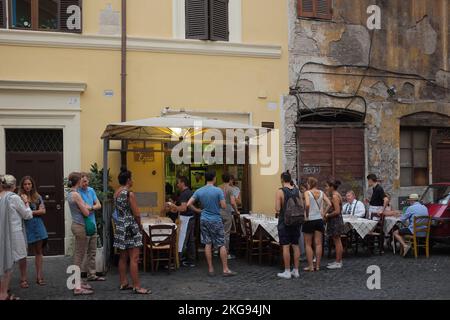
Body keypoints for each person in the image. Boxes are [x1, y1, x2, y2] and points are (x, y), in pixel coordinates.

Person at [186, 171, 237, 277]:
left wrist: (198, 210)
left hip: (204, 219)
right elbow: (223, 206)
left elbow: (188, 204)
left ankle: (210, 268)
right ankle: (225, 269)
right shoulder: (218, 190)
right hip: (215, 219)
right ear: (214, 178)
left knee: (207, 243)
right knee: (221, 243)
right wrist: (217, 203)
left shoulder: (199, 190)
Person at [113, 168, 150, 294]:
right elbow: (137, 213)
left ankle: (123, 282)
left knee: (123, 257)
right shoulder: (129, 193)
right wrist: (139, 226)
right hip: (130, 226)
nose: (132, 180)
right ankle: (137, 286)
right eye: (132, 178)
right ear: (128, 180)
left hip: (120, 226)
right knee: (134, 258)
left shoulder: (116, 192)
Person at [0, 175, 33, 300]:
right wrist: (26, 203)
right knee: (10, 263)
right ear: (14, 186)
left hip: (2, 232)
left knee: (3, 261)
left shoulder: (0, 196)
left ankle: (3, 290)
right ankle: (3, 294)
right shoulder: (14, 198)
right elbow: (27, 215)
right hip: (14, 233)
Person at [67, 172, 95, 295]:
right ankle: (77, 287)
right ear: (78, 181)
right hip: (80, 226)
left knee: (78, 255)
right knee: (79, 256)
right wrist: (86, 206)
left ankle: (76, 282)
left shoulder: (69, 193)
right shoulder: (76, 195)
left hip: (75, 225)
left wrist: (85, 206)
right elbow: (86, 213)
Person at [18, 176, 48, 288]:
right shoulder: (19, 197)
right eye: (25, 184)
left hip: (38, 225)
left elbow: (43, 211)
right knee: (23, 254)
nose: (27, 186)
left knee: (39, 251)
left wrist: (31, 212)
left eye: (29, 184)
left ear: (32, 185)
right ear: (22, 186)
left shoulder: (37, 196)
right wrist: (36, 211)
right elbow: (22, 214)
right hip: (25, 226)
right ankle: (23, 279)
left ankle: (39, 277)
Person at [275, 171, 303, 279]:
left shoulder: (280, 191)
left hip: (285, 221)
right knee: (295, 245)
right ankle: (296, 270)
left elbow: (277, 208)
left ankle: (287, 271)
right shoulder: (297, 190)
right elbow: (302, 205)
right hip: (296, 221)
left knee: (286, 246)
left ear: (282, 179)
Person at [78, 173, 105, 282]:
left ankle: (92, 275)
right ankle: (79, 276)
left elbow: (99, 205)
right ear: (79, 182)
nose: (86, 183)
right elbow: (81, 209)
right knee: (81, 252)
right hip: (83, 224)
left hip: (92, 224)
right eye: (84, 181)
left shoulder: (91, 190)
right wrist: (89, 208)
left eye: (87, 181)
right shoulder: (77, 193)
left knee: (92, 251)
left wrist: (91, 207)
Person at [168, 176, 199, 267]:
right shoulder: (190, 192)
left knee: (181, 240)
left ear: (183, 183)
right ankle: (191, 260)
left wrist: (173, 206)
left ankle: (177, 260)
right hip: (191, 217)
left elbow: (183, 208)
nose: (177, 184)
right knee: (190, 240)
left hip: (186, 218)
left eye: (178, 182)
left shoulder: (184, 194)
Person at [302, 177, 331, 272]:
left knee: (308, 244)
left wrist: (306, 215)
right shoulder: (321, 193)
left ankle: (310, 266)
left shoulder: (307, 193)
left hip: (310, 220)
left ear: (309, 184)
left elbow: (307, 205)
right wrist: (323, 213)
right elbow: (329, 204)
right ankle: (318, 266)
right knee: (318, 244)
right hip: (319, 220)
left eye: (307, 183)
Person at [324, 179, 344, 270]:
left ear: (332, 187)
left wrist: (328, 215)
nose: (326, 188)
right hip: (336, 221)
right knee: (337, 241)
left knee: (337, 242)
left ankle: (338, 262)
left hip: (335, 221)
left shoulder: (335, 196)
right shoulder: (336, 194)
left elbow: (337, 211)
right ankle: (338, 261)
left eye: (327, 186)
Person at [219, 173, 239, 260]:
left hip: (218, 212)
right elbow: (232, 202)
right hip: (227, 212)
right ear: (230, 180)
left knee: (219, 232)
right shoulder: (230, 189)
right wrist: (236, 210)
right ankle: (226, 253)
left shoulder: (218, 188)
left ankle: (217, 250)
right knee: (226, 233)